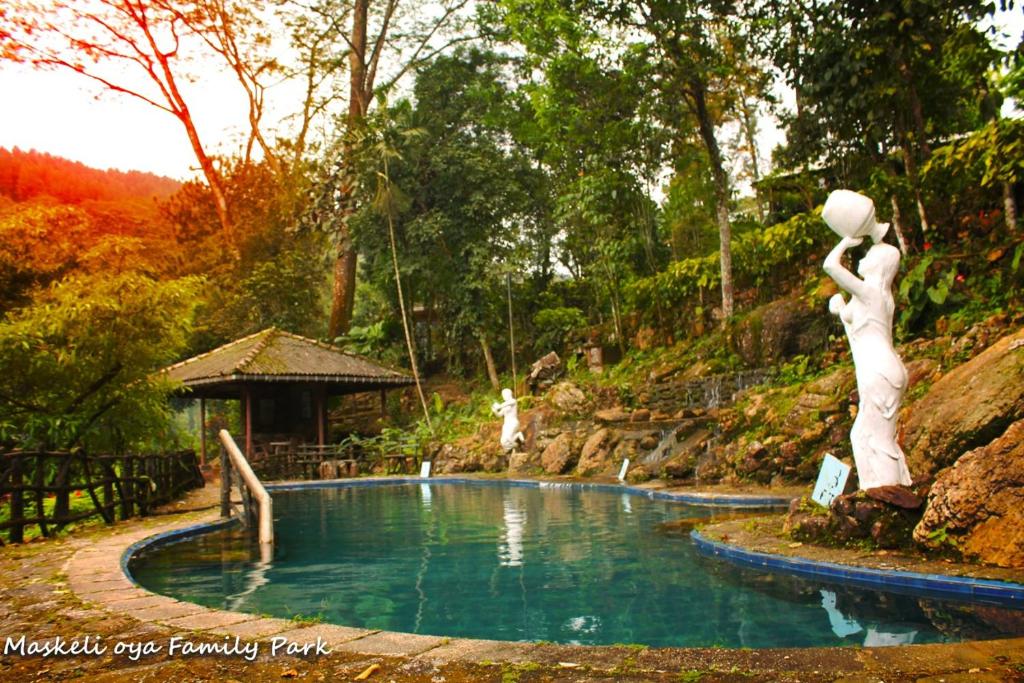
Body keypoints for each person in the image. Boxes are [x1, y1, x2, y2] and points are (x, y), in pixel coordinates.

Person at [822, 190, 913, 490]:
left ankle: (887, 493)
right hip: (877, 369)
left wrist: (847, 241)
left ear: (877, 266)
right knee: (863, 435)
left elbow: (830, 266)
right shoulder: (871, 297)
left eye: (867, 257)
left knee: (875, 437)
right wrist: (841, 311)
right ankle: (883, 489)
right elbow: (858, 332)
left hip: (880, 372)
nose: (861, 259)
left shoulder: (872, 292)